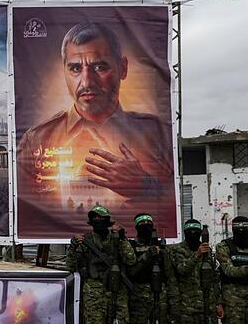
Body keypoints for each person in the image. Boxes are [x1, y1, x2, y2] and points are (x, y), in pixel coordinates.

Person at [16, 23, 174, 216]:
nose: (87, 81)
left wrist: (144, 186)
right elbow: (23, 211)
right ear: (64, 72)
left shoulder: (158, 135)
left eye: (99, 67)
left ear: (122, 68)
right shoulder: (37, 140)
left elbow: (174, 206)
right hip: (64, 246)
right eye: (75, 68)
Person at [65, 205, 136, 324]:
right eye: (94, 219)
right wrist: (73, 247)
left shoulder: (118, 239)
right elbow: (70, 266)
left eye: (101, 219)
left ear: (108, 221)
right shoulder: (86, 242)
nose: (98, 222)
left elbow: (130, 260)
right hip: (93, 292)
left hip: (117, 292)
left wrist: (121, 239)